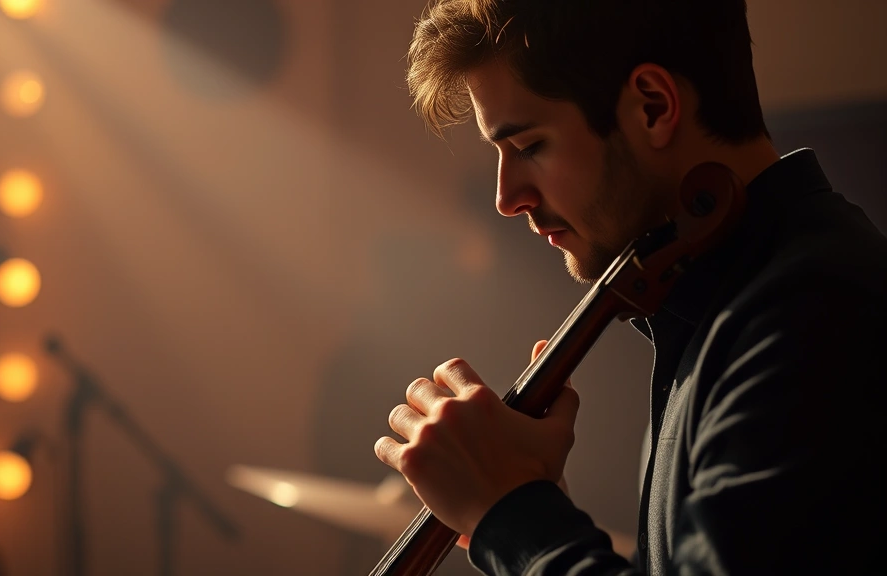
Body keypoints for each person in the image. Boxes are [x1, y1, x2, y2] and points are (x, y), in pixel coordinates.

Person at [373, 1, 887, 574]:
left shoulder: (813, 317)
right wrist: (527, 499)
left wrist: (513, 513)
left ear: (653, 106)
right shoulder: (719, 314)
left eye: (529, 147)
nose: (506, 197)